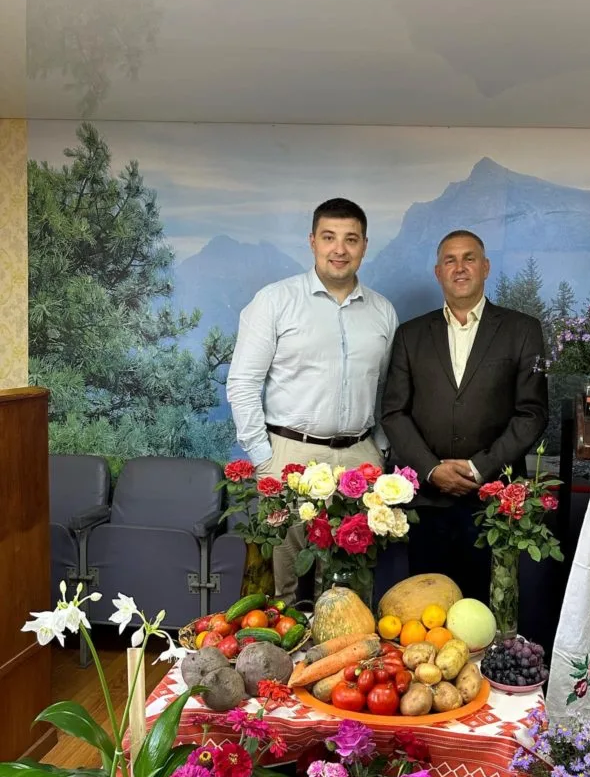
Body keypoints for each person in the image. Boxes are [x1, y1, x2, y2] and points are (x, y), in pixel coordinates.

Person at [226, 198, 398, 601]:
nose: (340, 249)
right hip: (288, 455)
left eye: (350, 239)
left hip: (359, 459)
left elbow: (386, 390)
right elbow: (243, 383)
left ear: (364, 246)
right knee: (278, 584)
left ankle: (339, 662)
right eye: (329, 237)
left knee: (347, 589)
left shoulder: (382, 312)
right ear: (312, 242)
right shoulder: (274, 301)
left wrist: (381, 450)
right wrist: (263, 458)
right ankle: (277, 664)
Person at [381, 229, 548, 601]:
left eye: (469, 258)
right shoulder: (410, 335)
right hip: (427, 500)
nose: (460, 268)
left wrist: (478, 468)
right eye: (450, 260)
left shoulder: (521, 330)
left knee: (487, 612)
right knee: (426, 611)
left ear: (485, 267)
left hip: (492, 499)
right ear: (438, 272)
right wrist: (431, 468)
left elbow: (532, 414)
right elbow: (393, 413)